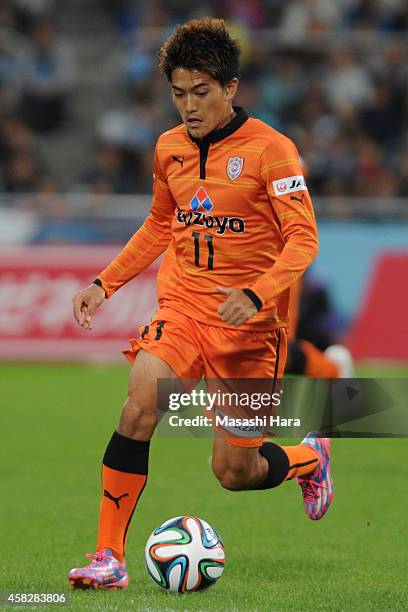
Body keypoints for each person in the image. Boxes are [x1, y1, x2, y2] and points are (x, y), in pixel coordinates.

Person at [68, 18, 333, 591]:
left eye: (201, 92)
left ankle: (309, 459)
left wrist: (257, 293)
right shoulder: (168, 148)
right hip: (184, 309)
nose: (188, 106)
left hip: (250, 329)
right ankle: (107, 559)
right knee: (138, 405)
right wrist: (104, 283)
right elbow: (161, 223)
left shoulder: (273, 151)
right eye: (179, 93)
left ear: (231, 88)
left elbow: (304, 239)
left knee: (235, 472)